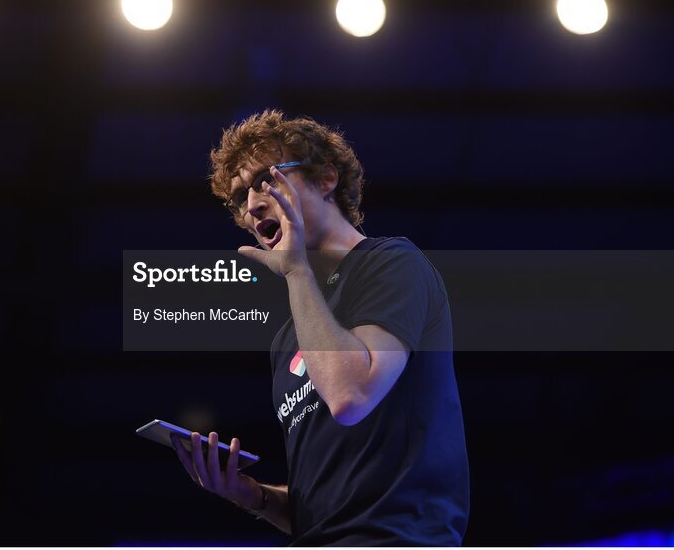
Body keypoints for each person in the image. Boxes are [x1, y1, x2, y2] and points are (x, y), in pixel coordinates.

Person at [170, 110, 469, 546]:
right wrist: (250, 495)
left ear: (326, 179)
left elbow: (351, 395)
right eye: (239, 199)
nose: (252, 207)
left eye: (266, 180)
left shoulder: (392, 263)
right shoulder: (289, 337)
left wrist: (295, 274)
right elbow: (327, 503)